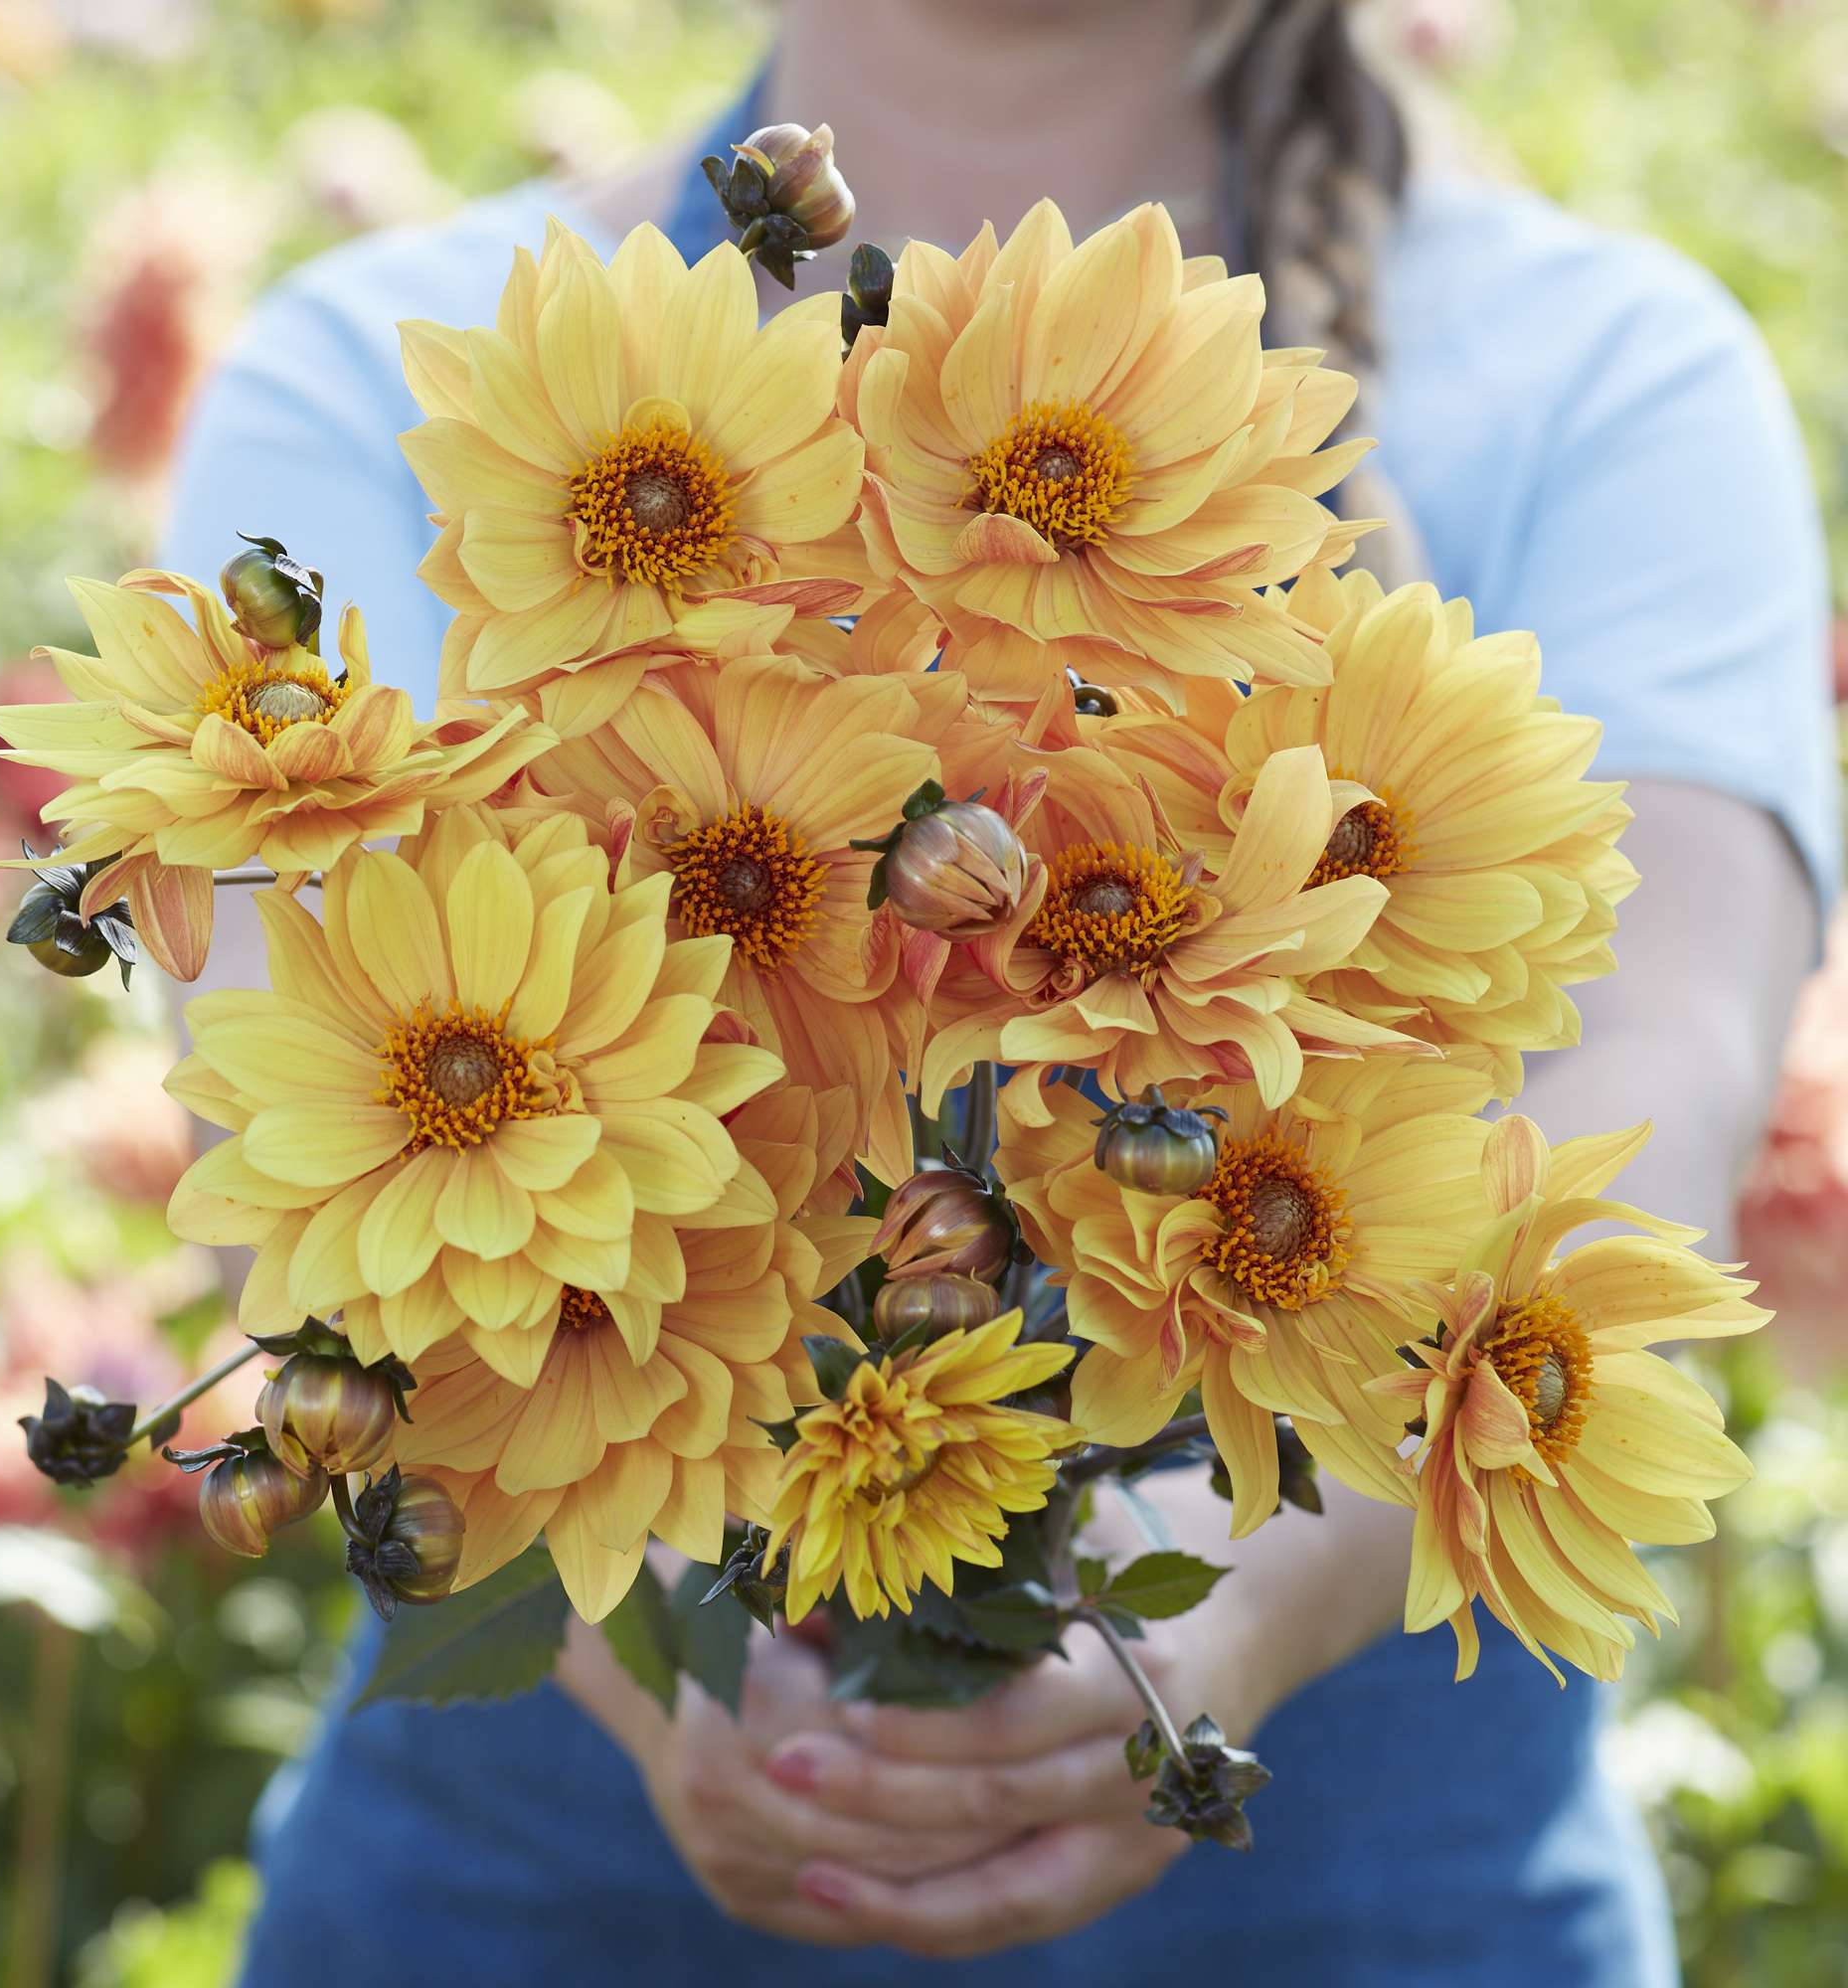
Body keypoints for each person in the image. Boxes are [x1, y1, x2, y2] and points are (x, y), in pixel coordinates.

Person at [161, 2, 1837, 1980]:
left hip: (1365, 1871)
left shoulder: (1605, 381)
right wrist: (666, 1666)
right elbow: (296, 1134)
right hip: (541, 1876)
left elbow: (1654, 1093)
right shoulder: (392, 376)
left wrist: (1237, 1622)